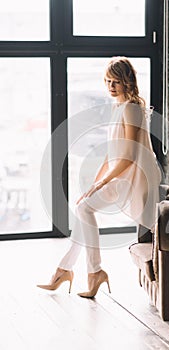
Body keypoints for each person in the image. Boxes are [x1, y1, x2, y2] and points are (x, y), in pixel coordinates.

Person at [37, 56, 161, 298]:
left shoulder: (133, 109)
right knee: (84, 208)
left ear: (127, 82)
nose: (111, 86)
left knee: (84, 209)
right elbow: (112, 151)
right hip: (123, 173)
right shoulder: (119, 108)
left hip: (134, 177)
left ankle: (90, 272)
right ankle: (66, 270)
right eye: (108, 81)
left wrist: (103, 182)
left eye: (116, 81)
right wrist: (95, 181)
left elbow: (128, 157)